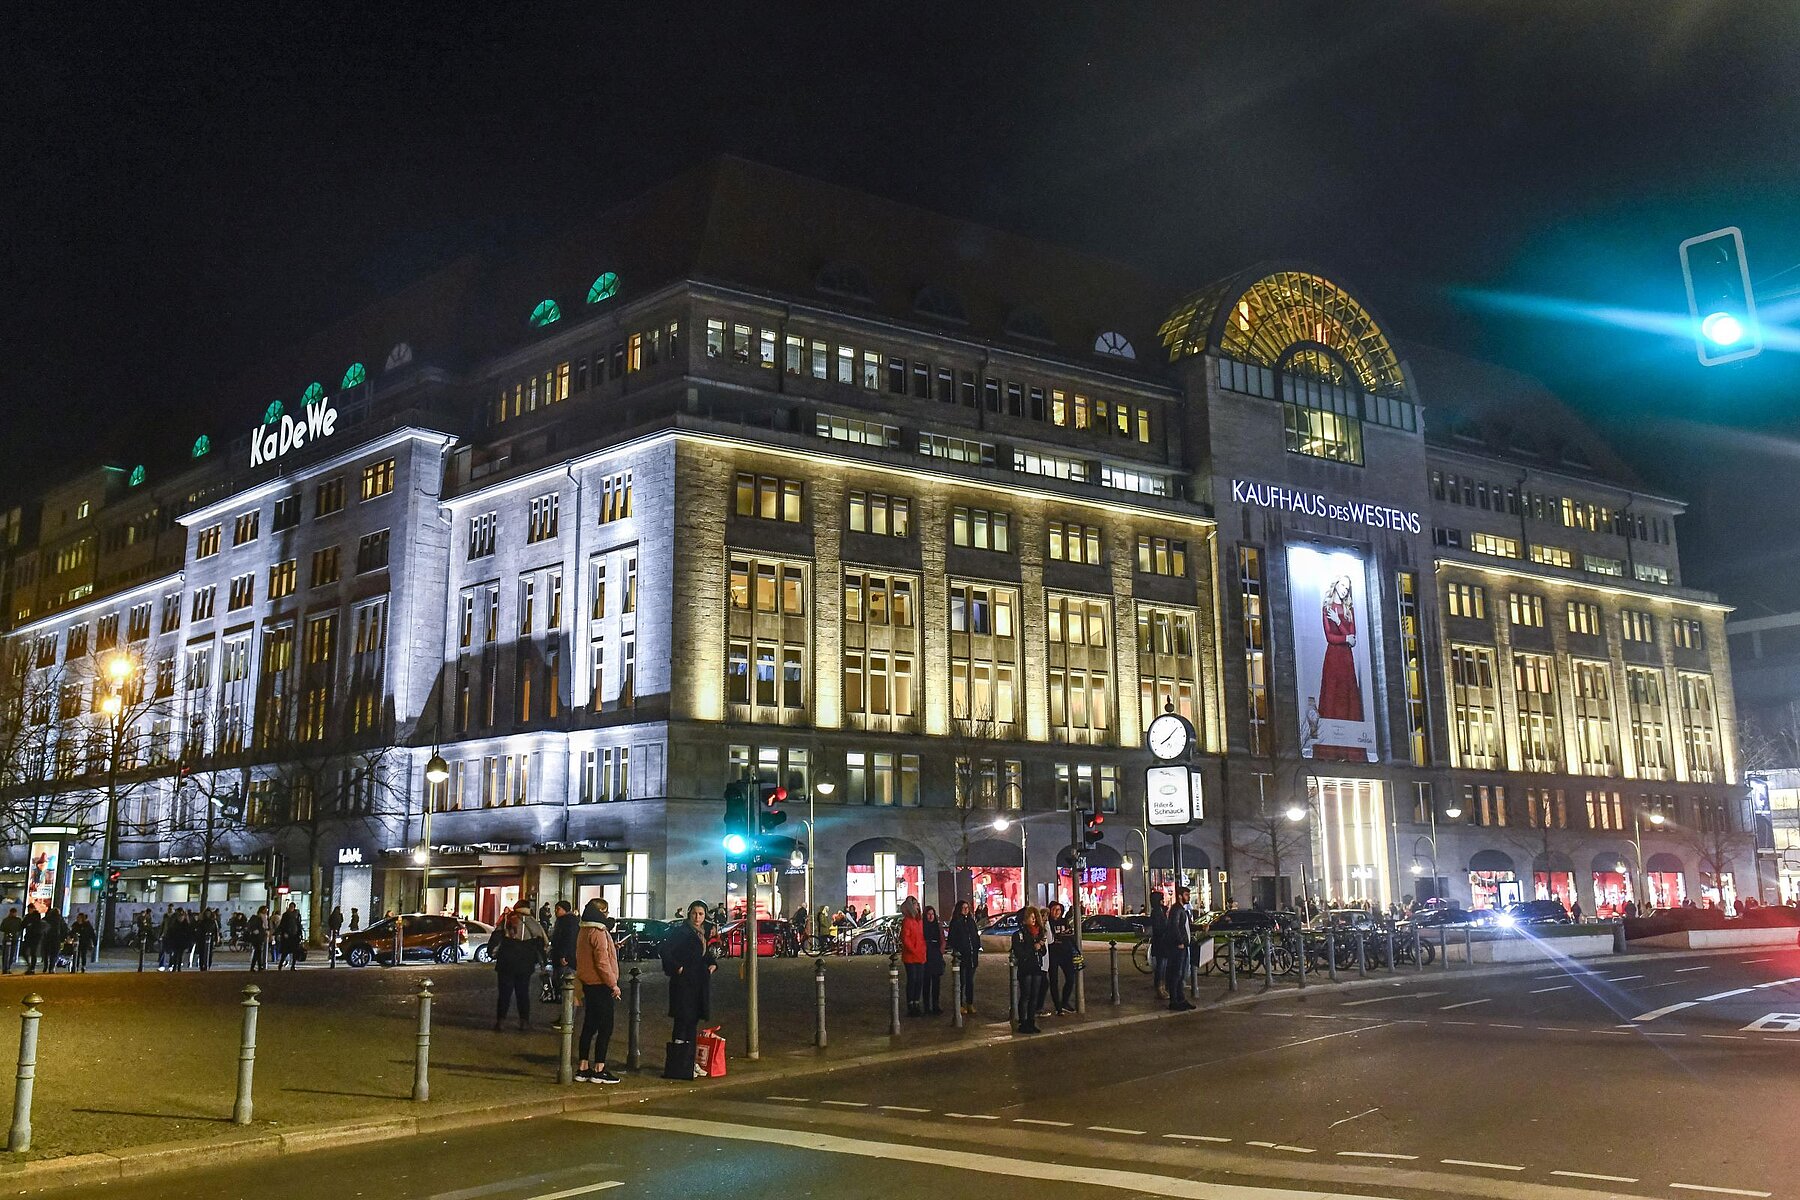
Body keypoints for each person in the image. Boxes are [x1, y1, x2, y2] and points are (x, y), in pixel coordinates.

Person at [574, 898, 621, 1084]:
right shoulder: (598, 931)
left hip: (587, 984)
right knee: (605, 1027)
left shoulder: (583, 930)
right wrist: (613, 985)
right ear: (601, 912)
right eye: (606, 911)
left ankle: (582, 1067)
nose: (608, 915)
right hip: (601, 985)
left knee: (589, 1026)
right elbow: (601, 963)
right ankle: (599, 1068)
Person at [663, 900, 716, 1048]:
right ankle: (680, 1059)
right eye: (694, 913)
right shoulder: (681, 932)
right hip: (683, 983)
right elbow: (666, 950)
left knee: (692, 1020)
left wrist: (712, 964)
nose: (697, 917)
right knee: (682, 1019)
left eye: (700, 914)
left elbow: (702, 954)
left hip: (698, 982)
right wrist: (677, 967)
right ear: (689, 914)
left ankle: (689, 1060)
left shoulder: (702, 933)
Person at [488, 907, 544, 1030]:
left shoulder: (508, 921)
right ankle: (524, 1022)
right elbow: (542, 943)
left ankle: (501, 1021)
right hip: (525, 964)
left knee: (504, 994)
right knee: (523, 993)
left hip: (506, 963)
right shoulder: (533, 923)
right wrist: (539, 961)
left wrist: (491, 953)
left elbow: (495, 939)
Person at [1012, 907, 1049, 1034]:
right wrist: (1034, 948)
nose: (1033, 920)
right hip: (1025, 968)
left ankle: (1031, 1021)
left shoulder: (1039, 933)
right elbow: (1020, 953)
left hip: (1037, 967)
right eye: (1031, 917)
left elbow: (1043, 952)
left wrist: (1040, 946)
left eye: (1035, 917)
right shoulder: (1019, 935)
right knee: (1026, 995)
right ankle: (1023, 1022)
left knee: (1034, 995)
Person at [947, 899, 981, 1015]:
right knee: (961, 981)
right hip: (962, 956)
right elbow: (952, 939)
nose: (966, 910)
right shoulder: (956, 922)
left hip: (972, 956)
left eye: (967, 908)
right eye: (963, 908)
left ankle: (969, 1003)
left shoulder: (971, 921)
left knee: (970, 981)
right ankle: (960, 1004)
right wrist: (958, 949)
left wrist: (976, 947)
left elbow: (975, 936)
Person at [1166, 888, 1195, 1011]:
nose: (1188, 897)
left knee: (1180, 973)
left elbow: (1185, 927)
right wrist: (1179, 942)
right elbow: (1174, 927)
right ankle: (1175, 1001)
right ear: (1179, 896)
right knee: (1176, 973)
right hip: (1178, 946)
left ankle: (1181, 999)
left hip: (1183, 945)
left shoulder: (1181, 910)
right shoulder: (1177, 910)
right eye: (1186, 894)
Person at [1047, 900, 1077, 1015]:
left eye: (1058, 909)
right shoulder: (1048, 923)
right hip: (1053, 954)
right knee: (1054, 981)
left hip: (1065, 954)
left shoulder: (1064, 921)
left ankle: (1065, 1002)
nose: (1056, 912)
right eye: (1054, 909)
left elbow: (1070, 935)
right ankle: (1057, 1006)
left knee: (1070, 978)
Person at [898, 896, 927, 1017]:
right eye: (915, 904)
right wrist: (914, 949)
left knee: (919, 980)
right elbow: (905, 938)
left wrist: (922, 950)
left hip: (919, 954)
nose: (917, 905)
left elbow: (921, 937)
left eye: (917, 903)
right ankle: (911, 1004)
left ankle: (916, 1002)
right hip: (911, 956)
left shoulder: (919, 920)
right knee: (913, 979)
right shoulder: (908, 921)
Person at [922, 904, 946, 1015]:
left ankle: (935, 1004)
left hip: (936, 954)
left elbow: (942, 939)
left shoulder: (938, 926)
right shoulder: (923, 926)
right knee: (926, 981)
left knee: (936, 981)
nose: (931, 916)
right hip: (926, 954)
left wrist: (941, 950)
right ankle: (926, 1006)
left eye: (932, 914)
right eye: (928, 914)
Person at [1149, 894, 1170, 1000]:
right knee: (1161, 967)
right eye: (1161, 899)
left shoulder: (1161, 911)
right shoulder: (1156, 912)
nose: (1163, 901)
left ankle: (1162, 986)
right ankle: (1160, 987)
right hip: (1160, 943)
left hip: (1163, 943)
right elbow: (1158, 929)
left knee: (1163, 965)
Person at [550, 900, 579, 976]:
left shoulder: (569, 921)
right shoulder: (562, 920)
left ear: (565, 909)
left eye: (558, 909)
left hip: (566, 958)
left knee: (564, 979)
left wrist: (563, 955)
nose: (555, 911)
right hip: (561, 956)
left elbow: (568, 939)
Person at [278, 903, 303, 970]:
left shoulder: (297, 915)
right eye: (290, 907)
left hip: (294, 935)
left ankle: (293, 965)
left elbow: (299, 924)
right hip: (288, 936)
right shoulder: (286, 915)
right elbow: (283, 925)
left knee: (294, 951)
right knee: (285, 952)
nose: (291, 908)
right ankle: (280, 965)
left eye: (292, 907)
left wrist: (300, 934)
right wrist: (284, 933)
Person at [21, 905, 42, 975]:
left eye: (30, 909)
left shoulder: (37, 916)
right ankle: (30, 966)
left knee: (33, 953)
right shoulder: (27, 916)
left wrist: (29, 924)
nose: (29, 910)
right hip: (28, 937)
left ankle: (32, 968)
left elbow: (35, 925)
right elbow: (23, 925)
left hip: (35, 937)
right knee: (24, 952)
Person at [246, 906, 269, 972]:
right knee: (258, 951)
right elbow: (250, 926)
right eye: (265, 910)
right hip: (256, 937)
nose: (266, 911)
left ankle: (257, 966)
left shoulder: (265, 918)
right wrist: (254, 930)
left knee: (258, 951)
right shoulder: (256, 918)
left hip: (261, 936)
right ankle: (255, 966)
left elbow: (266, 927)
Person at [0, 907, 20, 974]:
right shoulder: (18, 920)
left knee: (7, 954)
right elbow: (20, 928)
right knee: (10, 954)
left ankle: (6, 968)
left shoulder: (6, 920)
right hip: (13, 938)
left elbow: (2, 928)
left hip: (8, 938)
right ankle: (7, 968)